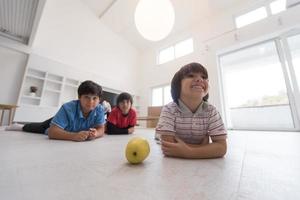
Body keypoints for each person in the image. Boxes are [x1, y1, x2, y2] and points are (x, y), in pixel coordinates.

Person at [155, 62, 227, 159]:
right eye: (191, 75)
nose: (200, 79)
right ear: (178, 85)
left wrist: (190, 152)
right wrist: (205, 147)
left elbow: (222, 147)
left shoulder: (211, 111)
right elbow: (169, 147)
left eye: (204, 77)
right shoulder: (169, 109)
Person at [6, 80, 105, 142]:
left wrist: (96, 133)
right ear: (79, 97)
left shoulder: (100, 109)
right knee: (38, 127)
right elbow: (52, 132)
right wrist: (74, 136)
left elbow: (101, 128)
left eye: (94, 98)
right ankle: (20, 126)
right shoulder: (68, 108)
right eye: (86, 97)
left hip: (71, 125)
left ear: (99, 99)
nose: (90, 102)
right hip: (59, 124)